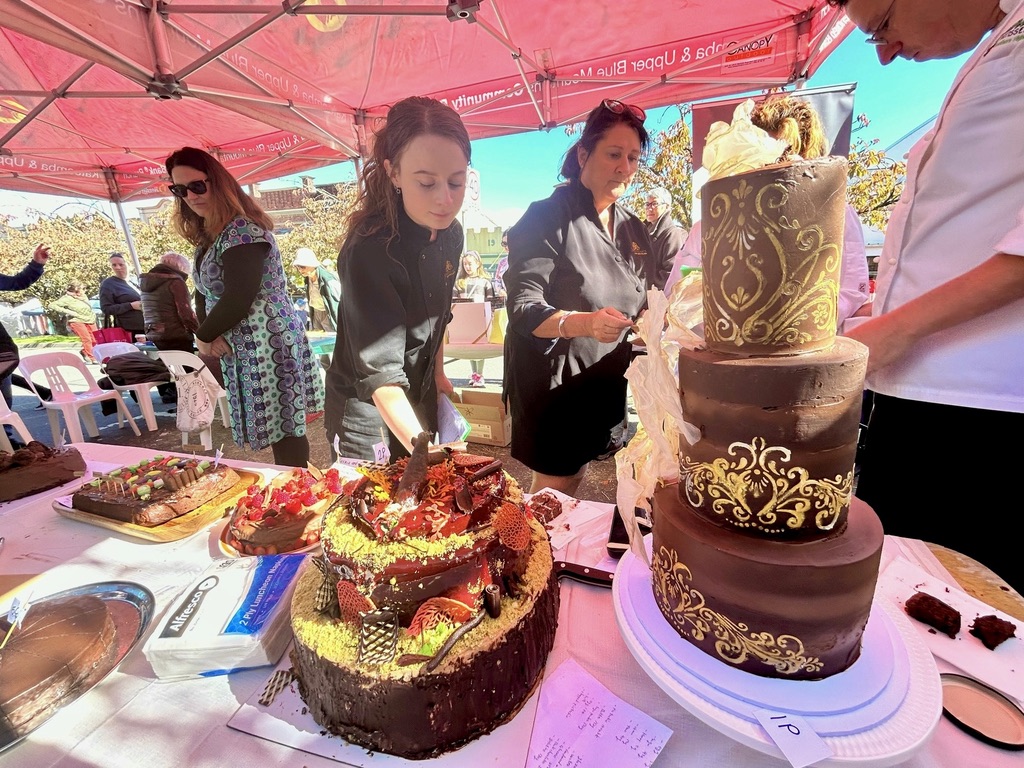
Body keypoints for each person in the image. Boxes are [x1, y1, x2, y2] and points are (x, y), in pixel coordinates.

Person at [829, 0, 1024, 592]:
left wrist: (896, 329)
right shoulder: (1000, 39)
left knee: (960, 614)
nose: (885, 53)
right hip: (919, 396)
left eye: (882, 26)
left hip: (980, 414)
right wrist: (879, 314)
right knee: (898, 594)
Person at [504, 99, 656, 496]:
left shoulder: (633, 228)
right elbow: (523, 307)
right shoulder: (546, 217)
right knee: (554, 495)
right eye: (613, 154)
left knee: (580, 483)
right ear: (584, 153)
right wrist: (585, 323)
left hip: (603, 381)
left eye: (633, 157)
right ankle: (536, 558)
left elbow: (646, 299)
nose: (624, 166)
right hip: (556, 385)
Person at [324, 96, 470, 461]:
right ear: (393, 173)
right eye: (426, 183)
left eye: (457, 182)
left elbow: (438, 317)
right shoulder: (370, 249)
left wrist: (437, 375)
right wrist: (428, 452)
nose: (444, 200)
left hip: (416, 397)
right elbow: (381, 374)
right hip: (367, 411)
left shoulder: (452, 235)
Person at [165, 146, 324, 468]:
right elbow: (203, 292)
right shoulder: (211, 235)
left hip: (268, 341)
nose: (190, 196)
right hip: (246, 343)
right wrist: (208, 334)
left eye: (198, 185)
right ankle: (291, 488)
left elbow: (240, 296)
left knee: (286, 428)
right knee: (280, 426)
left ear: (218, 183)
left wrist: (203, 338)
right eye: (179, 190)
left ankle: (297, 492)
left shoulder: (242, 230)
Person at [663, 95, 872, 328]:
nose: (769, 167)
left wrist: (789, 329)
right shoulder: (711, 223)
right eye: (760, 156)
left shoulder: (833, 214)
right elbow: (677, 293)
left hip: (801, 354)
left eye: (782, 156)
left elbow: (850, 293)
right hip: (719, 354)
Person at [1, 244, 52, 448]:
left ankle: (7, 440)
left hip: (1, 352)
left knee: (4, 398)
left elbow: (16, 282)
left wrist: (36, 264)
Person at [140, 252, 199, 352]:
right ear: (181, 267)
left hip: (154, 333)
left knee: (172, 365)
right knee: (186, 366)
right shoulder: (175, 281)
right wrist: (202, 333)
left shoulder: (146, 282)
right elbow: (186, 314)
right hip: (176, 335)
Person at [454, 249, 495, 386]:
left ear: (478, 263)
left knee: (480, 348)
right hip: (465, 318)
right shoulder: (459, 282)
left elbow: (491, 302)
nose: (467, 267)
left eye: (470, 263)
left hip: (480, 318)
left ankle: (480, 375)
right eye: (465, 264)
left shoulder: (485, 282)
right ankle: (475, 374)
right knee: (469, 347)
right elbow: (454, 301)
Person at [644, 186, 687, 287]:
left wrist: (641, 280)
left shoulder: (673, 234)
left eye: (654, 204)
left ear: (667, 207)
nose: (649, 208)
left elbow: (671, 274)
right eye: (647, 204)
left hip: (658, 297)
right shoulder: (641, 232)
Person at [292, 247, 341, 332]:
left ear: (312, 264)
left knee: (330, 341)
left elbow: (340, 303)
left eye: (302, 266)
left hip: (328, 314)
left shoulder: (329, 280)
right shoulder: (307, 279)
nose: (299, 270)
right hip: (315, 313)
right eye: (297, 267)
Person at [49, 281, 97, 362]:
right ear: (76, 290)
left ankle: (84, 352)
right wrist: (68, 312)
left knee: (95, 339)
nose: (85, 290)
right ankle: (92, 357)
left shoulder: (83, 296)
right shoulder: (67, 298)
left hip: (90, 319)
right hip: (77, 320)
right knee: (87, 339)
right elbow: (52, 305)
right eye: (83, 289)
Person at [99, 253, 144, 334]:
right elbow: (106, 309)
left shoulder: (137, 280)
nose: (118, 268)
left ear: (129, 264)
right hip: (128, 330)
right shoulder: (108, 284)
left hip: (149, 326)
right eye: (114, 265)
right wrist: (130, 306)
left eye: (121, 264)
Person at [492, 233, 510, 299]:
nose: (506, 247)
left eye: (509, 243)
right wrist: (500, 291)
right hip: (505, 300)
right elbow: (497, 280)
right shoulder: (502, 262)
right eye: (504, 244)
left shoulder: (524, 261)